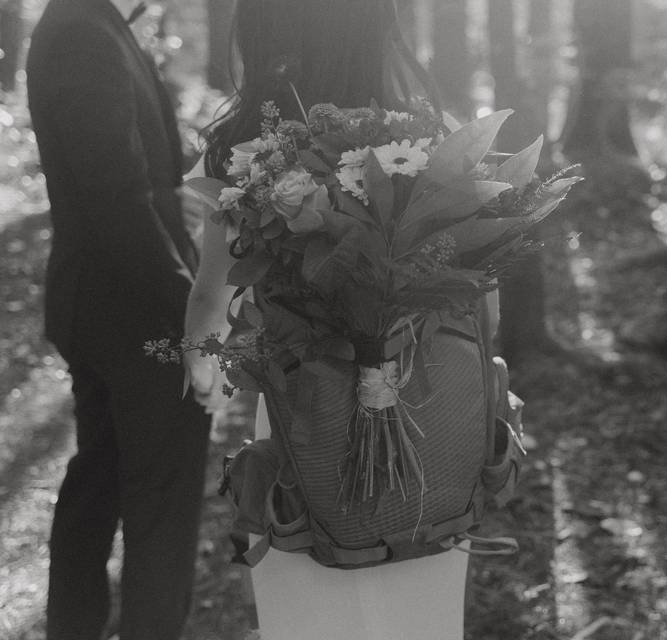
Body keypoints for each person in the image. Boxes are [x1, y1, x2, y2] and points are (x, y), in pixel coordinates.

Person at [183, 2, 497, 638]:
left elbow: (209, 299)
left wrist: (199, 363)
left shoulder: (246, 154)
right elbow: (483, 292)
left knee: (314, 585)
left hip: (305, 404)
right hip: (430, 402)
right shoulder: (438, 138)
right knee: (419, 598)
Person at [26, 0, 214, 637]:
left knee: (98, 481)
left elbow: (112, 169)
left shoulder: (89, 23)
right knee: (161, 503)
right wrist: (188, 304)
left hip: (106, 299)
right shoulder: (83, 32)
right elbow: (109, 192)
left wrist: (169, 196)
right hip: (134, 310)